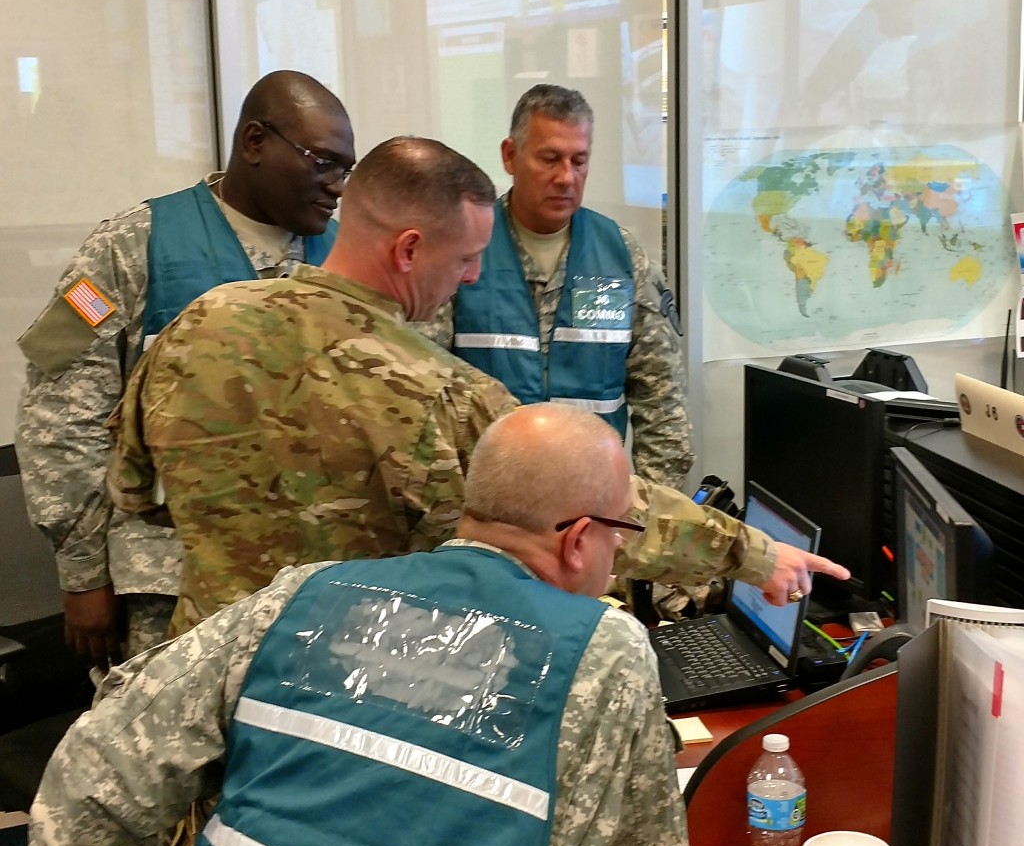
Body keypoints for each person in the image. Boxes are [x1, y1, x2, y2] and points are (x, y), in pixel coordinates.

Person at [31, 404, 690, 846]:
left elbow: (93, 786)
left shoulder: (306, 594)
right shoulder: (606, 653)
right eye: (621, 531)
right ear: (580, 540)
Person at [107, 136, 847, 640]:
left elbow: (133, 489)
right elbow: (596, 509)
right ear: (408, 249)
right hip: (348, 694)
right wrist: (751, 555)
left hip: (207, 674)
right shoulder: (433, 393)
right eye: (464, 260)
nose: (468, 278)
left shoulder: (198, 324)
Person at [15, 70, 356, 667]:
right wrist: (82, 571)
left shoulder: (346, 259)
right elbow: (62, 417)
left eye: (346, 169)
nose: (338, 187)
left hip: (317, 587)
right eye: (322, 162)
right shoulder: (133, 246)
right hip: (171, 586)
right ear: (255, 142)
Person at [417, 83, 693, 490]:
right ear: (510, 156)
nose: (566, 177)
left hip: (592, 505)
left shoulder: (622, 257)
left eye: (579, 161)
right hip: (485, 504)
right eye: (550, 159)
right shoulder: (464, 248)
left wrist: (637, 524)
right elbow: (424, 393)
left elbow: (664, 411)